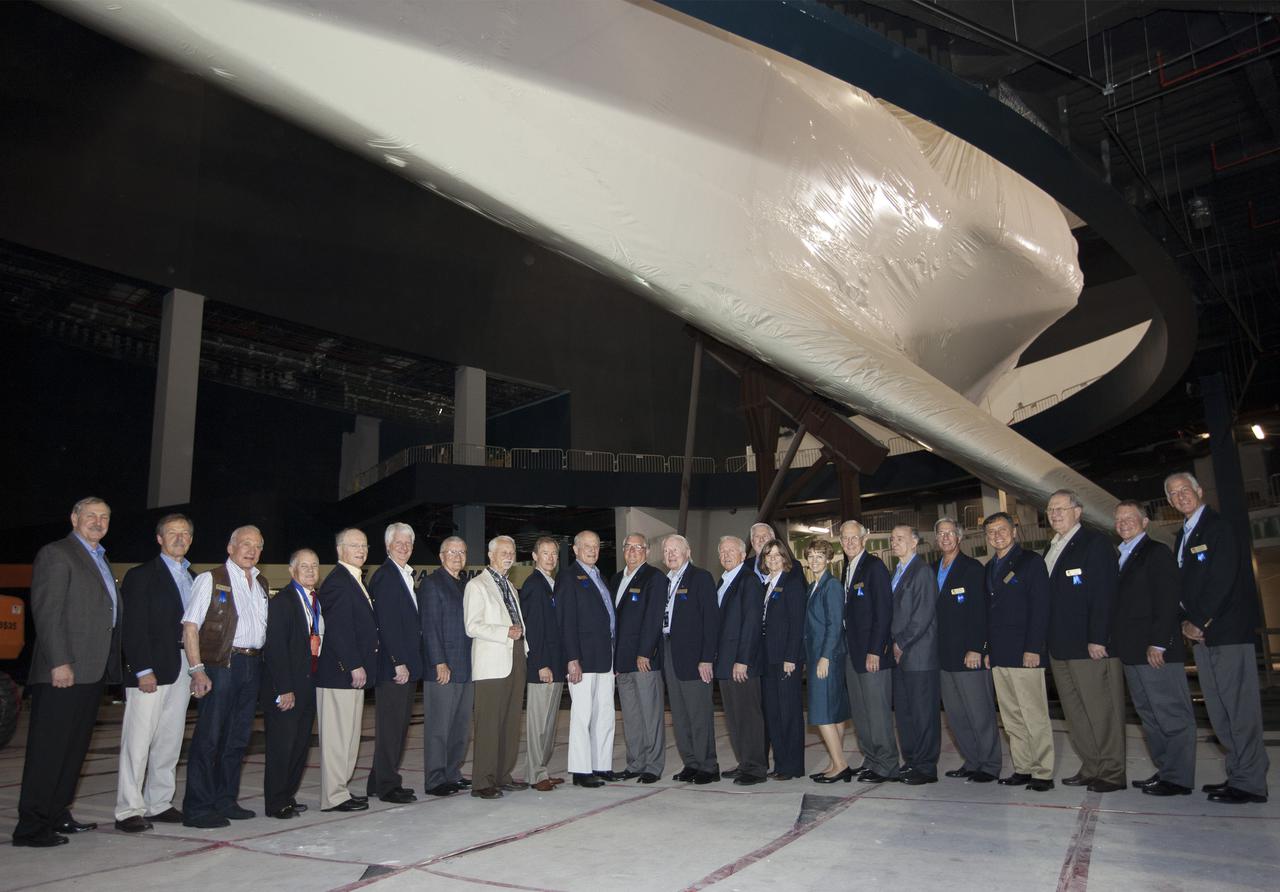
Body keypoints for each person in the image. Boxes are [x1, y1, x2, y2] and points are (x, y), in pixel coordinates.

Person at [13, 497, 121, 847]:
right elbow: (47, 612)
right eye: (90, 515)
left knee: (73, 750)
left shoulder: (100, 558)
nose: (98, 521)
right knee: (49, 750)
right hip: (64, 670)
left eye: (104, 517)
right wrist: (60, 661)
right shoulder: (57, 554)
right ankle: (31, 826)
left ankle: (58, 813)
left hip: (91, 670)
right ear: (74, 518)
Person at [1167, 472, 1269, 804]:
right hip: (1203, 637)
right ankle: (1238, 775)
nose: (1180, 496)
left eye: (1185, 490)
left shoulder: (1218, 528)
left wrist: (1199, 621)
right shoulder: (1183, 535)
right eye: (1173, 494)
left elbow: (1222, 579)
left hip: (1224, 633)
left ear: (1199, 491)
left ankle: (1251, 782)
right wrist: (1185, 622)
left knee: (1239, 709)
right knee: (1220, 710)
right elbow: (1183, 587)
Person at [181, 525, 270, 828]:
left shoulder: (260, 583)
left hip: (252, 665)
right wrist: (197, 669)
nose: (251, 550)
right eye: (245, 544)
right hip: (221, 665)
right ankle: (198, 807)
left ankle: (225, 799)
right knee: (209, 738)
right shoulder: (211, 578)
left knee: (237, 739)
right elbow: (190, 626)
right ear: (230, 547)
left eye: (257, 545)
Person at [114, 513, 195, 833]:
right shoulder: (141, 575)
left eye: (185, 534)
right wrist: (141, 669)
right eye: (173, 533)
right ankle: (128, 808)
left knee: (170, 739)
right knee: (138, 741)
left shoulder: (195, 577)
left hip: (184, 667)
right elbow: (132, 627)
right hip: (151, 669)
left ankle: (159, 802)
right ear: (159, 539)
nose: (180, 538)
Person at [1043, 490, 1125, 793]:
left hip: (1089, 646)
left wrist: (1098, 637)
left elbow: (1104, 595)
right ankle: (1092, 766)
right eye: (1050, 510)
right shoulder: (1051, 548)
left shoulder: (1095, 543)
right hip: (1060, 647)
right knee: (1076, 713)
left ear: (1078, 511)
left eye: (1060, 509)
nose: (1054, 514)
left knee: (1102, 709)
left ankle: (1112, 771)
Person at [1113, 501, 1195, 797]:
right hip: (1132, 651)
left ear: (1144, 522)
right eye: (1119, 520)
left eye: (1130, 518)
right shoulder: (1121, 555)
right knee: (1149, 715)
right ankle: (1166, 770)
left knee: (1170, 713)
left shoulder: (1156, 552)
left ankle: (1179, 778)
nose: (1124, 523)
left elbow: (1168, 599)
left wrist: (1159, 642)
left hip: (1155, 651)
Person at [982, 513, 1054, 792]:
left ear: (1014, 531)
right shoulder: (990, 567)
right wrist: (988, 649)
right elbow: (989, 614)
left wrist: (1033, 648)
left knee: (1033, 713)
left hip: (1025, 653)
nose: (996, 536)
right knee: (1011, 716)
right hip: (1000, 654)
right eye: (991, 532)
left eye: (1001, 530)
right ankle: (1023, 767)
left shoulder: (1031, 562)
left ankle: (1043, 771)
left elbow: (1041, 607)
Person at [314, 528, 379, 813]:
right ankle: (333, 796)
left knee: (350, 736)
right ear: (340, 549)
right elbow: (339, 630)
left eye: (364, 545)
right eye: (355, 545)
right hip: (340, 673)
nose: (362, 550)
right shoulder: (338, 582)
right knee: (337, 738)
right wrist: (353, 664)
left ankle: (341, 789)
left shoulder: (354, 580)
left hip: (353, 674)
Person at [932, 518, 1001, 784]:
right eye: (941, 534)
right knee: (956, 715)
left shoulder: (972, 568)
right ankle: (972, 761)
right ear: (936, 539)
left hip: (968, 655)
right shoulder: (931, 569)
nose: (946, 538)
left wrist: (977, 647)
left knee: (979, 712)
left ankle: (990, 764)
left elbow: (981, 613)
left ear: (959, 537)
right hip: (943, 656)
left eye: (950, 533)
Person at [464, 535, 529, 800]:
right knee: (489, 722)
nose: (508, 555)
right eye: (503, 551)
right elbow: (472, 625)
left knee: (511, 722)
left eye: (511, 551)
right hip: (492, 661)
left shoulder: (511, 587)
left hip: (515, 655)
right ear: (490, 555)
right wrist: (505, 632)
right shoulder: (477, 586)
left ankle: (503, 775)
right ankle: (482, 781)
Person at [261, 548, 323, 818]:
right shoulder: (283, 602)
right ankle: (275, 802)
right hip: (287, 687)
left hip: (309, 684)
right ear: (291, 570)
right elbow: (275, 649)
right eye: (304, 566)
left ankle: (288, 794)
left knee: (299, 746)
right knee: (281, 746)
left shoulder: (315, 601)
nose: (310, 571)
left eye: (314, 566)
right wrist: (284, 688)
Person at [838, 520, 900, 783]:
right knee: (861, 712)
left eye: (855, 538)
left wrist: (876, 650)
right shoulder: (848, 568)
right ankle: (872, 759)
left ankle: (887, 764)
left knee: (877, 711)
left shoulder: (874, 567)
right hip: (853, 653)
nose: (850, 542)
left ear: (864, 540)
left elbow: (884, 613)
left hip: (872, 654)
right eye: (845, 538)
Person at [557, 530, 619, 788]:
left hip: (606, 657)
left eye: (596, 546)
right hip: (582, 658)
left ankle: (601, 764)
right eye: (587, 546)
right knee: (582, 716)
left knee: (605, 714)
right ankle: (581, 770)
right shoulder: (568, 577)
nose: (592, 550)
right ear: (575, 549)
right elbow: (566, 621)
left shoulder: (600, 576)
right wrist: (572, 658)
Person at [366, 522, 423, 804]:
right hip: (394, 668)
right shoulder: (387, 576)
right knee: (391, 727)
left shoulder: (403, 575)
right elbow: (386, 625)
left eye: (408, 543)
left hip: (405, 665)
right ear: (388, 545)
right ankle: (388, 786)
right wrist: (398, 662)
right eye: (398, 543)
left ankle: (377, 780)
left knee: (397, 726)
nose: (404, 547)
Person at [660, 534, 720, 784]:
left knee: (698, 713)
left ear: (687, 552)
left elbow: (711, 621)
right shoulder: (664, 581)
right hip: (669, 652)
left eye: (675, 550)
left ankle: (708, 765)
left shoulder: (700, 578)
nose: (670, 554)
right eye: (666, 551)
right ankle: (691, 763)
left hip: (695, 658)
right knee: (680, 714)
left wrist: (707, 658)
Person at [420, 536, 474, 797]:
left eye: (462, 552)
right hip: (443, 668)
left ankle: (453, 772)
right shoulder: (432, 584)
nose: (457, 556)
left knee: (460, 727)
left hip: (466, 668)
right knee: (439, 728)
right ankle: (435, 779)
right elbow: (429, 627)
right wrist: (438, 661)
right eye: (451, 551)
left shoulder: (466, 585)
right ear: (441, 556)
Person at [611, 533, 666, 784]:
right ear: (623, 550)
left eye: (639, 547)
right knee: (631, 716)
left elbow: (654, 618)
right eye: (629, 547)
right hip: (621, 662)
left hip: (643, 660)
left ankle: (653, 766)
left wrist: (646, 652)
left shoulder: (654, 578)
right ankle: (635, 763)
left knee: (650, 715)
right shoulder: (615, 579)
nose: (633, 551)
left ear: (647, 551)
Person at [713, 535, 768, 786]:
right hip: (725, 662)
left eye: (731, 551)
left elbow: (752, 623)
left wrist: (743, 660)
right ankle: (745, 762)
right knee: (734, 717)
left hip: (741, 663)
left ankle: (756, 768)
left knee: (748, 715)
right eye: (722, 552)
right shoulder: (723, 582)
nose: (725, 555)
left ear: (743, 555)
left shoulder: (749, 581)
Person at [889, 525, 941, 785]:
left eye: (900, 538)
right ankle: (911, 761)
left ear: (914, 542)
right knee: (905, 714)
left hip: (918, 655)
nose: (894, 542)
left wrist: (901, 643)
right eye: (892, 539)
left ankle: (926, 767)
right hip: (900, 658)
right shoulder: (897, 572)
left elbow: (922, 616)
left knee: (923, 713)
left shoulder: (922, 572)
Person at [803, 539, 851, 783]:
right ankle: (836, 761)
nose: (814, 560)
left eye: (820, 556)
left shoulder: (831, 586)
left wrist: (824, 657)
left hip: (826, 656)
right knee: (834, 712)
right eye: (811, 556)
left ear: (829, 559)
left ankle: (841, 765)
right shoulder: (813, 586)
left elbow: (834, 625)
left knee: (822, 713)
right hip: (819, 655)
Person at [519, 537, 565, 791]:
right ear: (534, 557)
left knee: (549, 724)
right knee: (538, 724)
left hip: (555, 664)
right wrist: (540, 664)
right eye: (545, 553)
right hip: (543, 665)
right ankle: (535, 774)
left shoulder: (552, 583)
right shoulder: (534, 585)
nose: (550, 558)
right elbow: (533, 629)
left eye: (554, 554)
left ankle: (541, 770)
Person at [758, 538, 805, 780]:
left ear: (785, 557)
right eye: (768, 555)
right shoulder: (767, 584)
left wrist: (791, 657)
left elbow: (797, 624)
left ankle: (793, 766)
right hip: (767, 659)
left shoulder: (792, 583)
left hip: (785, 659)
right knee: (773, 713)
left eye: (777, 554)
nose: (773, 559)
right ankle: (780, 763)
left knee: (789, 713)